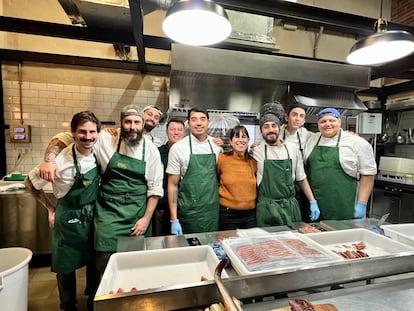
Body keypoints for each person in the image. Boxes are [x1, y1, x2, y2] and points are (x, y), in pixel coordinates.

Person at [37, 104, 164, 275]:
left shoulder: (151, 150)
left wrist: (146, 219)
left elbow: (155, 190)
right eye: (127, 122)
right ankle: (100, 299)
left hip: (137, 216)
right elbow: (66, 138)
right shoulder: (105, 138)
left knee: (134, 263)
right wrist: (49, 160)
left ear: (142, 125)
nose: (132, 127)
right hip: (108, 214)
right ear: (121, 123)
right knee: (104, 260)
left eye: (136, 122)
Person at [25, 111, 101, 311]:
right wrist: (50, 208)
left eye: (92, 132)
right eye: (82, 132)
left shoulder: (98, 153)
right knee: (65, 266)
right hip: (67, 218)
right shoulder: (59, 160)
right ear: (73, 133)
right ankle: (68, 305)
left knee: (94, 261)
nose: (88, 136)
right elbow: (30, 184)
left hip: (92, 217)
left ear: (98, 134)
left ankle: (92, 300)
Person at [303, 108, 377, 220]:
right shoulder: (311, 140)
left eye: (332, 120)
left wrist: (362, 204)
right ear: (318, 124)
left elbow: (368, 175)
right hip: (314, 204)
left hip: (343, 204)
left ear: (340, 122)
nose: (328, 124)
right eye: (323, 121)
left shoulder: (357, 143)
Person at [251, 110, 320, 227]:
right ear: (261, 131)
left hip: (290, 207)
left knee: (294, 242)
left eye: (274, 125)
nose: (270, 130)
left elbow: (301, 179)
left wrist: (313, 201)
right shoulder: (256, 151)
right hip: (267, 208)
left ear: (279, 128)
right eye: (266, 127)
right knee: (268, 244)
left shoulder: (292, 149)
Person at [167, 107, 223, 234]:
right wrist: (174, 218)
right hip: (188, 212)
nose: (198, 123)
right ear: (189, 123)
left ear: (208, 122)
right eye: (194, 119)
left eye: (203, 119)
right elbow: (173, 185)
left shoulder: (217, 147)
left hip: (212, 212)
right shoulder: (178, 148)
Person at [216, 125, 257, 230]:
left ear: (248, 140)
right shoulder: (222, 158)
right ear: (230, 141)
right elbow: (215, 178)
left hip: (250, 214)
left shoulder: (253, 161)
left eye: (244, 137)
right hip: (228, 214)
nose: (240, 140)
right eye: (236, 136)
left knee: (248, 246)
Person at [153, 118, 186, 236]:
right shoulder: (157, 152)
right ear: (167, 132)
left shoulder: (188, 152)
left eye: (179, 130)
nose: (176, 132)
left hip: (181, 204)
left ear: (184, 133)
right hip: (160, 205)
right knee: (159, 239)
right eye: (172, 129)